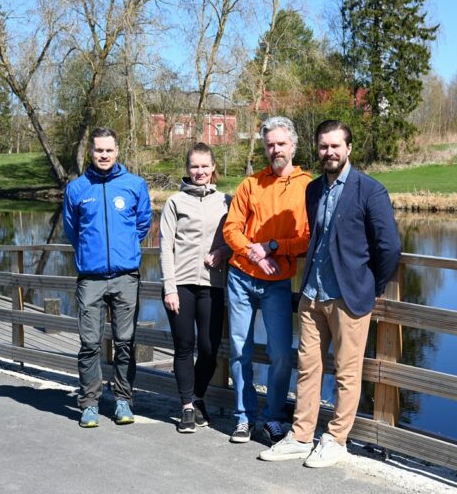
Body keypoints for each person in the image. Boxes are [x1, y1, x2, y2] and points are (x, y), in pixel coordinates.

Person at [259, 119, 401, 467]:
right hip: (312, 295)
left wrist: (372, 285)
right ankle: (301, 435)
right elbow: (318, 239)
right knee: (308, 368)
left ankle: (337, 439)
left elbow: (390, 247)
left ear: (348, 148)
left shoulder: (370, 191)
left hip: (349, 298)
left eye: (336, 146)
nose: (329, 152)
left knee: (347, 372)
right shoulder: (314, 190)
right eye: (324, 146)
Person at [222, 116, 311, 444]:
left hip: (278, 282)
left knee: (281, 353)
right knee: (239, 349)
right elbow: (231, 229)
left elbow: (307, 238)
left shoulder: (306, 187)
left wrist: (274, 247)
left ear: (293, 145)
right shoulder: (250, 185)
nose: (275, 149)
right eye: (270, 144)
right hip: (241, 276)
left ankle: (273, 416)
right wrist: (254, 253)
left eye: (281, 144)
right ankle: (243, 417)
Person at [63, 127, 151, 428]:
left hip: (126, 277)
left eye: (108, 150)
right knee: (90, 343)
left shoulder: (134, 185)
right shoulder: (77, 189)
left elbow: (142, 225)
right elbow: (72, 231)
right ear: (91, 152)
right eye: (98, 150)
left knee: (125, 342)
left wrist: (123, 251)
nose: (104, 155)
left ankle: (123, 400)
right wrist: (92, 255)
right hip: (91, 278)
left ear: (117, 151)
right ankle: (89, 403)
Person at [160, 142, 231, 434]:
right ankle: (187, 406)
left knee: (210, 349)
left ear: (213, 167)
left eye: (204, 166)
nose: (199, 172)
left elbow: (236, 235)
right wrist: (169, 287)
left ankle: (198, 395)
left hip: (213, 285)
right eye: (194, 166)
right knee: (184, 346)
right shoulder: (175, 202)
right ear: (187, 169)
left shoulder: (226, 200)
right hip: (182, 285)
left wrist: (224, 251)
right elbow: (165, 246)